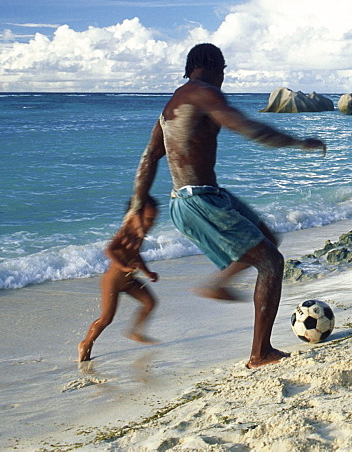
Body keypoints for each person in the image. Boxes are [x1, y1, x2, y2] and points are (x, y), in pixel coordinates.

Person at [125, 43, 326, 369]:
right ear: (215, 68)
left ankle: (219, 282)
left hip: (201, 195)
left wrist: (136, 205)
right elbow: (249, 127)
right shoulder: (203, 93)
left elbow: (149, 157)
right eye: (223, 71)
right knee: (271, 263)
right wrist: (298, 142)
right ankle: (260, 354)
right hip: (198, 200)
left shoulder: (172, 103)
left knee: (267, 239)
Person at [79, 195, 160, 362]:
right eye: (149, 219)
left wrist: (147, 272)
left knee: (150, 302)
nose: (151, 224)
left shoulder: (139, 234)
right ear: (136, 216)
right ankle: (86, 343)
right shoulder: (125, 231)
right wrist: (123, 267)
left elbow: (136, 255)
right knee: (106, 318)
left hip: (129, 281)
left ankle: (136, 332)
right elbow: (109, 250)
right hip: (113, 282)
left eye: (154, 220)